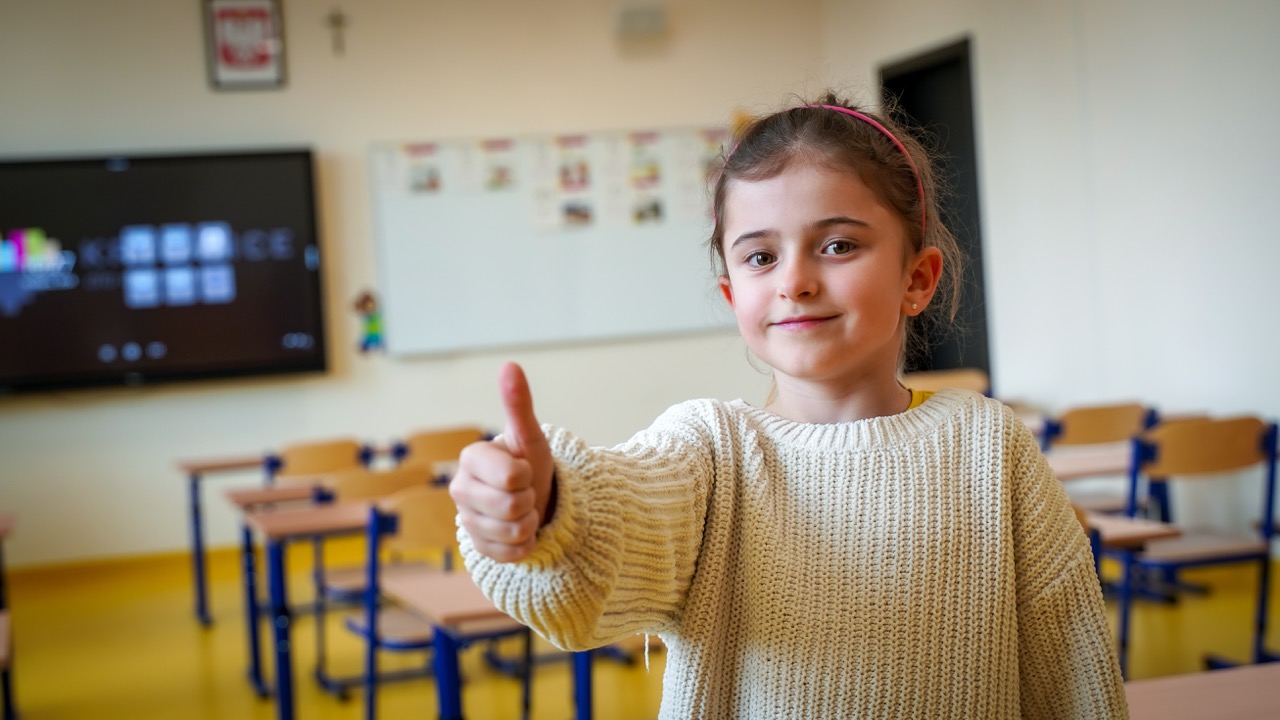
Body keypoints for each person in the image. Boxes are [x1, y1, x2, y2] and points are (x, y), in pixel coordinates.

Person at [449, 92, 1127, 718]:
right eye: (760, 257)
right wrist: (548, 507)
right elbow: (621, 529)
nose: (795, 281)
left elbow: (1071, 673)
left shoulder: (990, 446)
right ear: (732, 299)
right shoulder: (711, 449)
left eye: (837, 245)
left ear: (916, 278)